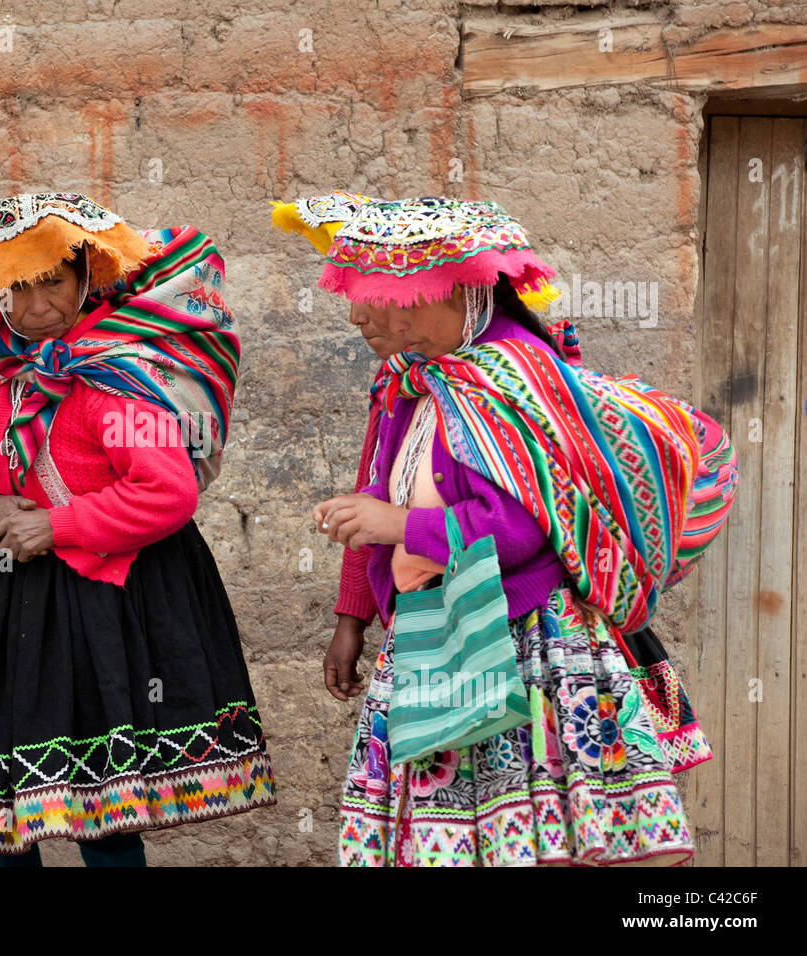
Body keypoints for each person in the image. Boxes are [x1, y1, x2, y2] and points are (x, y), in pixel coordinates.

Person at [272, 194, 734, 866]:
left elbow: (520, 529)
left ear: (455, 291)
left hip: (523, 642)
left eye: (381, 296)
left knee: (534, 836)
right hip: (438, 627)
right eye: (358, 295)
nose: (358, 314)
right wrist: (357, 606)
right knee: (459, 840)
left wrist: (397, 523)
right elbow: (383, 477)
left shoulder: (513, 376)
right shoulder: (418, 379)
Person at [0, 192, 276, 866]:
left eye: (51, 283)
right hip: (5, 595)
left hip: (106, 601)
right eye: (16, 288)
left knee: (101, 809)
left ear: (89, 280)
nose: (33, 306)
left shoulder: (117, 375)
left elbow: (164, 493)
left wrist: (58, 524)